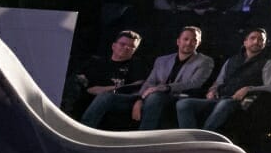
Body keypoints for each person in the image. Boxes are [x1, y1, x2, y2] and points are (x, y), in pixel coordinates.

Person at [83, 26, 212, 129]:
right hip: (148, 96)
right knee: (106, 96)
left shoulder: (205, 61)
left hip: (175, 98)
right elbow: (150, 82)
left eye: (194, 40)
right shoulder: (162, 60)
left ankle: (141, 139)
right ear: (178, 41)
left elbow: (195, 83)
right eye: (186, 39)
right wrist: (139, 99)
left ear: (198, 43)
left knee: (156, 96)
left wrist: (164, 88)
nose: (189, 43)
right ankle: (83, 132)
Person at [176, 28, 271, 132]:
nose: (256, 42)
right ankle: (190, 137)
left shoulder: (269, 63)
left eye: (261, 40)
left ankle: (204, 136)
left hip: (241, 102)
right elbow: (219, 81)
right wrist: (212, 90)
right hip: (221, 97)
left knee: (225, 104)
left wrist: (248, 89)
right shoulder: (232, 60)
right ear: (245, 42)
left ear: (264, 44)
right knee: (184, 104)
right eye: (253, 38)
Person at [64, 31, 147, 116]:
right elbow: (89, 88)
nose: (127, 48)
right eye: (122, 44)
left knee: (104, 97)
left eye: (132, 46)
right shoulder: (96, 62)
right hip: (86, 99)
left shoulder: (136, 66)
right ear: (113, 46)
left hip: (114, 100)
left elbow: (138, 85)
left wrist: (111, 89)